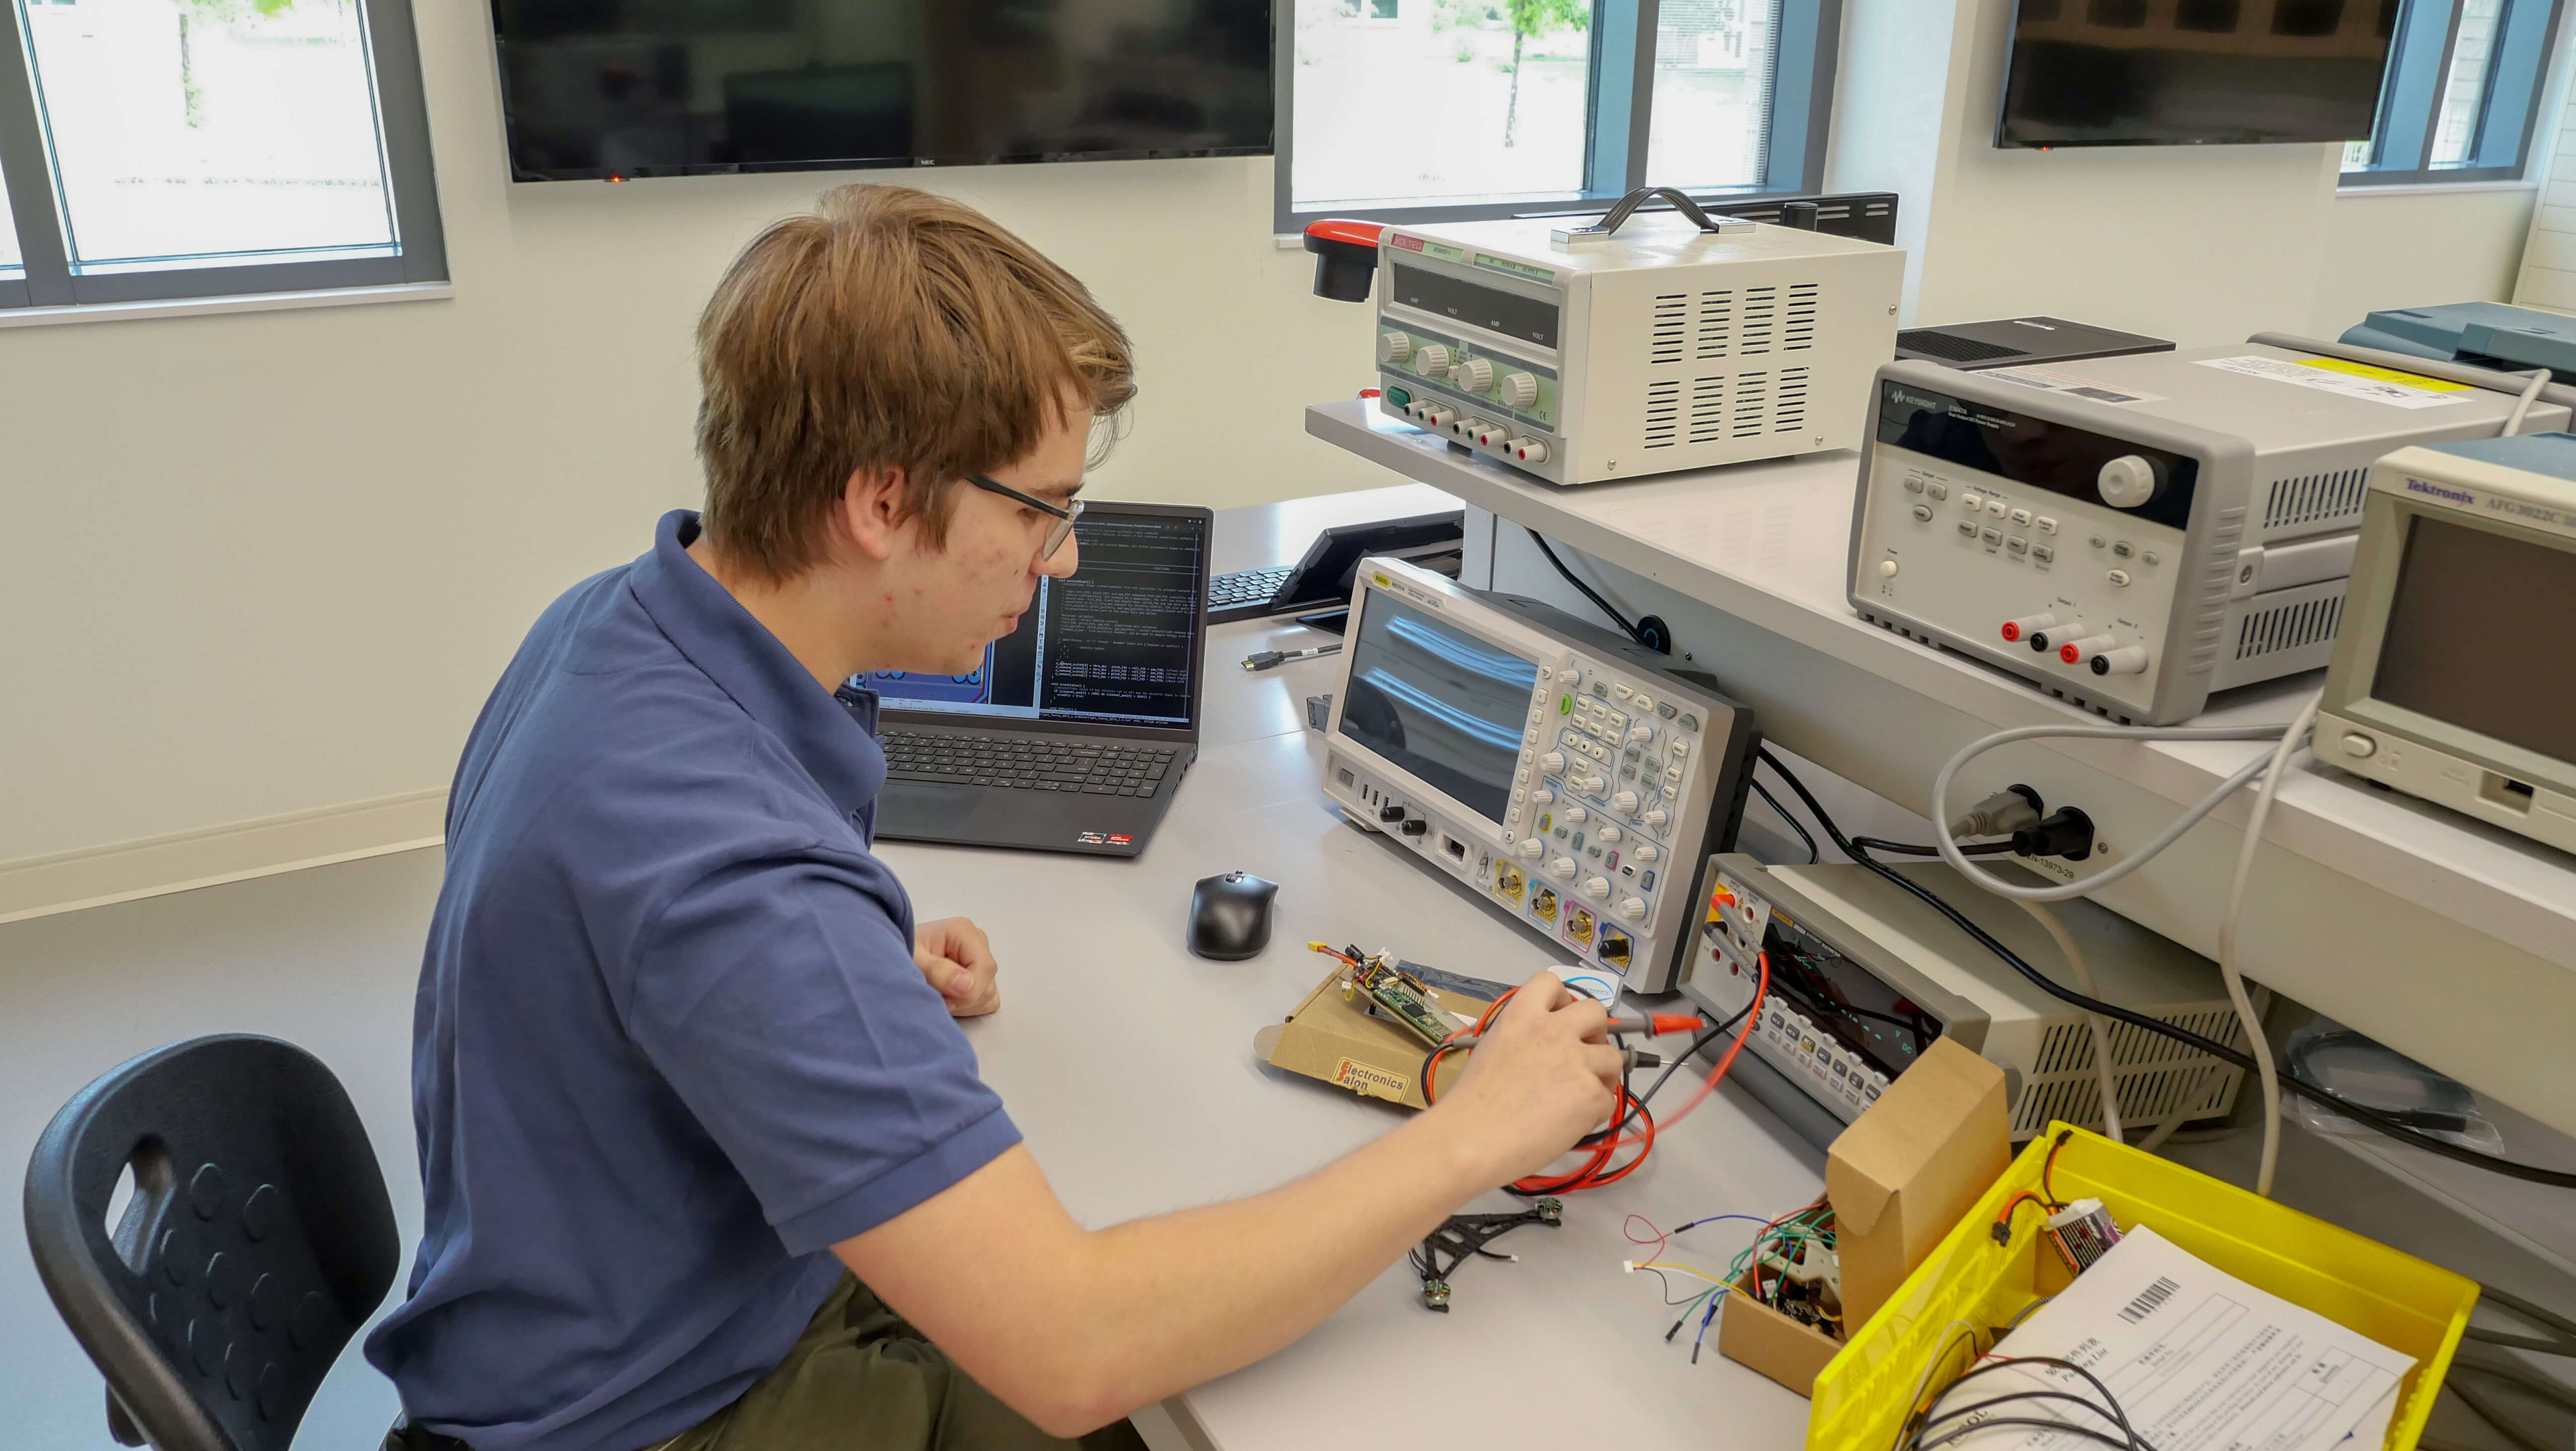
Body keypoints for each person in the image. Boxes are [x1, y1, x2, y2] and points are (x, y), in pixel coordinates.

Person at [367, 182, 1621, 1451]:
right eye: (1039, 509)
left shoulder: (620, 620)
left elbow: (616, 948)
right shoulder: (737, 881)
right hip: (660, 1413)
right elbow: (1074, 1348)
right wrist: (1474, 1132)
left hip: (604, 1310)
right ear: (880, 502)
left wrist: (836, 980)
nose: (1063, 556)